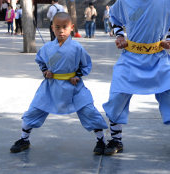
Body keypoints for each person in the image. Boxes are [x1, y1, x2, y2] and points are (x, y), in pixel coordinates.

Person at [102, 0, 170, 157]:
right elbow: (114, 18)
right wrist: (119, 35)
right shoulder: (125, 0)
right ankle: (116, 140)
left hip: (158, 57)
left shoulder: (165, 0)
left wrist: (169, 39)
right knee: (117, 96)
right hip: (130, 57)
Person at [10, 12, 108, 154]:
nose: (61, 30)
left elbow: (86, 65)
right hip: (51, 87)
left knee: (89, 111)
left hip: (74, 87)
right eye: (57, 27)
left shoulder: (77, 48)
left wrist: (78, 75)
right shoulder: (46, 48)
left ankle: (101, 141)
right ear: (52, 28)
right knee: (34, 111)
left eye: (65, 27)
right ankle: (24, 139)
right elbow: (41, 61)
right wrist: (45, 72)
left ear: (71, 28)